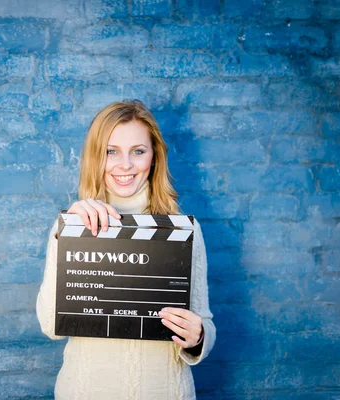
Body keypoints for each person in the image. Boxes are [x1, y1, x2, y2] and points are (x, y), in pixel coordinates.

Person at [36, 100, 215, 399]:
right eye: (111, 151)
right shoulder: (71, 226)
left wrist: (198, 337)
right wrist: (67, 236)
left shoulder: (184, 232)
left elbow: (203, 323)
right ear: (96, 157)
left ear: (154, 157)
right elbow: (50, 326)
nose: (126, 165)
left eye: (138, 151)